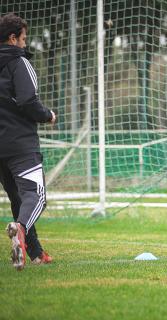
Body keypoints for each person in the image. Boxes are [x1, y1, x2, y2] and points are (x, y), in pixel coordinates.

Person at [0, 13, 56, 271]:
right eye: (23, 39)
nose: (25, 44)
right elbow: (27, 101)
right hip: (20, 143)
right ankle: (20, 230)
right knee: (37, 196)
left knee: (19, 200)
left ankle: (34, 252)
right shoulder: (18, 62)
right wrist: (48, 115)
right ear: (13, 39)